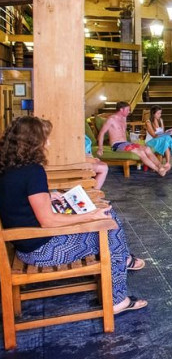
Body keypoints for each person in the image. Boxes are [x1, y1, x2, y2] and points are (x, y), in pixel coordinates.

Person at [0, 117, 148, 315]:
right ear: (33, 142)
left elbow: (22, 199)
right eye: (45, 138)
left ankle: (124, 260)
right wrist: (90, 216)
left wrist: (48, 194)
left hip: (24, 246)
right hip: (43, 252)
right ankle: (117, 299)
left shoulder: (9, 169)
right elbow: (48, 221)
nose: (49, 143)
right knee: (110, 224)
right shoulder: (33, 171)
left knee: (108, 225)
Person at [96, 101, 168, 177]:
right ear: (121, 110)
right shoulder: (111, 120)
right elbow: (101, 133)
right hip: (116, 144)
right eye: (127, 110)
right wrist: (100, 148)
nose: (129, 112)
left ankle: (160, 167)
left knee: (147, 149)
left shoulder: (124, 118)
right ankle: (158, 170)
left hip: (126, 143)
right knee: (140, 152)